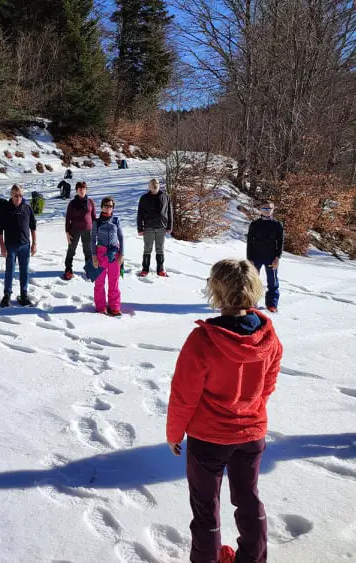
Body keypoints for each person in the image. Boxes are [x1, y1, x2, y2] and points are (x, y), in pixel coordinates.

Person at [166, 258, 282, 563]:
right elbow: (267, 385)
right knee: (248, 498)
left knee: (206, 508)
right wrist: (250, 408)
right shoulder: (268, 337)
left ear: (216, 290)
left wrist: (174, 434)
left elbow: (183, 396)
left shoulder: (203, 340)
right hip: (251, 433)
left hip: (209, 439)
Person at [0, 184, 37, 307]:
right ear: (11, 195)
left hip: (25, 245)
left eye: (20, 195)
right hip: (10, 246)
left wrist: (34, 243)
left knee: (24, 271)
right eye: (16, 195)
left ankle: (23, 295)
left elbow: (33, 226)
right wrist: (2, 246)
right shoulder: (5, 209)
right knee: (10, 271)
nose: (18, 198)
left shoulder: (27, 207)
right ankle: (7, 295)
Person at [246, 201, 284, 312]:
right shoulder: (254, 224)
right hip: (255, 257)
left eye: (269, 208)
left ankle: (272, 304)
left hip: (271, 258)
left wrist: (277, 257)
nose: (267, 210)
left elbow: (280, 242)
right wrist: (249, 258)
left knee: (273, 282)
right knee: (252, 281)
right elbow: (249, 242)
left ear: (273, 210)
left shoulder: (277, 225)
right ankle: (252, 302)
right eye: (264, 208)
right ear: (260, 209)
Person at [91, 197, 124, 316]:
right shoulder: (96, 221)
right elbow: (92, 239)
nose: (108, 208)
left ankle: (114, 306)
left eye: (110, 206)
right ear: (102, 206)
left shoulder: (116, 220)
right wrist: (94, 256)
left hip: (115, 253)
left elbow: (121, 237)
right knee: (99, 281)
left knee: (114, 281)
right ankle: (101, 306)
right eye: (106, 205)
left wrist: (122, 254)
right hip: (101, 252)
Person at [137, 178, 173, 277]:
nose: (155, 185)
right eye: (152, 184)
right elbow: (140, 214)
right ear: (149, 186)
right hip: (148, 227)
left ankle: (160, 270)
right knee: (147, 249)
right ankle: (145, 269)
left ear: (159, 185)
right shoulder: (144, 198)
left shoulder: (165, 196)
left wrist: (170, 226)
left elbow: (170, 212)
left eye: (156, 183)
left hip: (161, 227)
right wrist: (140, 228)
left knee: (160, 249)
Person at [63, 181, 97, 280]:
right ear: (77, 190)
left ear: (86, 190)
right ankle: (68, 270)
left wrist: (95, 230)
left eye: (83, 188)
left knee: (88, 251)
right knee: (71, 250)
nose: (82, 190)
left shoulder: (90, 202)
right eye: (80, 189)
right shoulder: (72, 203)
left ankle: (89, 270)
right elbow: (68, 218)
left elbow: (94, 217)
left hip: (88, 230)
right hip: (74, 230)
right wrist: (67, 232)